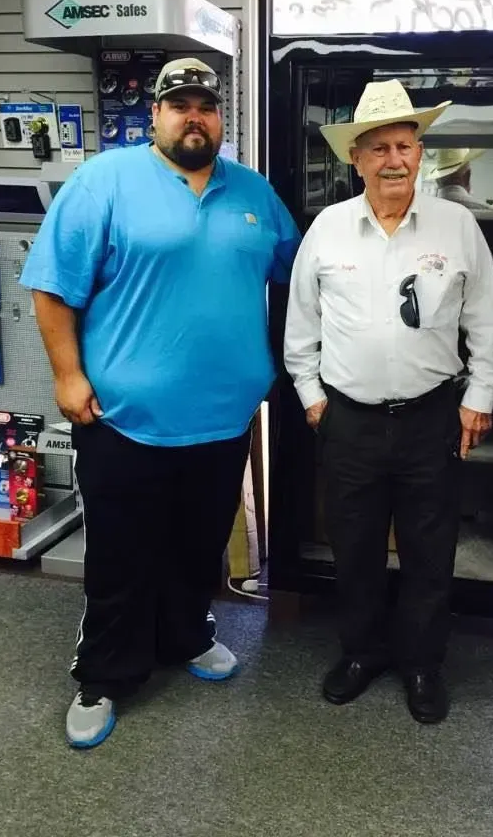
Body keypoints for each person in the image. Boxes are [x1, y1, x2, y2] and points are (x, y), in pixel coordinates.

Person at [20, 57, 300, 749]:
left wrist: (275, 367)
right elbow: (52, 289)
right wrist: (67, 377)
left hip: (222, 419)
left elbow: (300, 280)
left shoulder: (255, 195)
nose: (193, 115)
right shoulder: (101, 184)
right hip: (122, 420)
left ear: (221, 118)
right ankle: (105, 674)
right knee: (120, 552)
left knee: (198, 545)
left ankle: (186, 636)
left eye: (206, 104)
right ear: (155, 116)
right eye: (179, 105)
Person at [284, 79, 493, 724]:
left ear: (421, 153)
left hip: (430, 418)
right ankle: (361, 653)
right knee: (353, 549)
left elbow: (486, 323)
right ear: (355, 158)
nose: (394, 160)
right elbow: (301, 327)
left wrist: (480, 395)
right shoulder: (327, 231)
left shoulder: (457, 226)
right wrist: (311, 397)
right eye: (379, 147)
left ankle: (421, 663)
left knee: (428, 550)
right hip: (348, 420)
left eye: (405, 146)